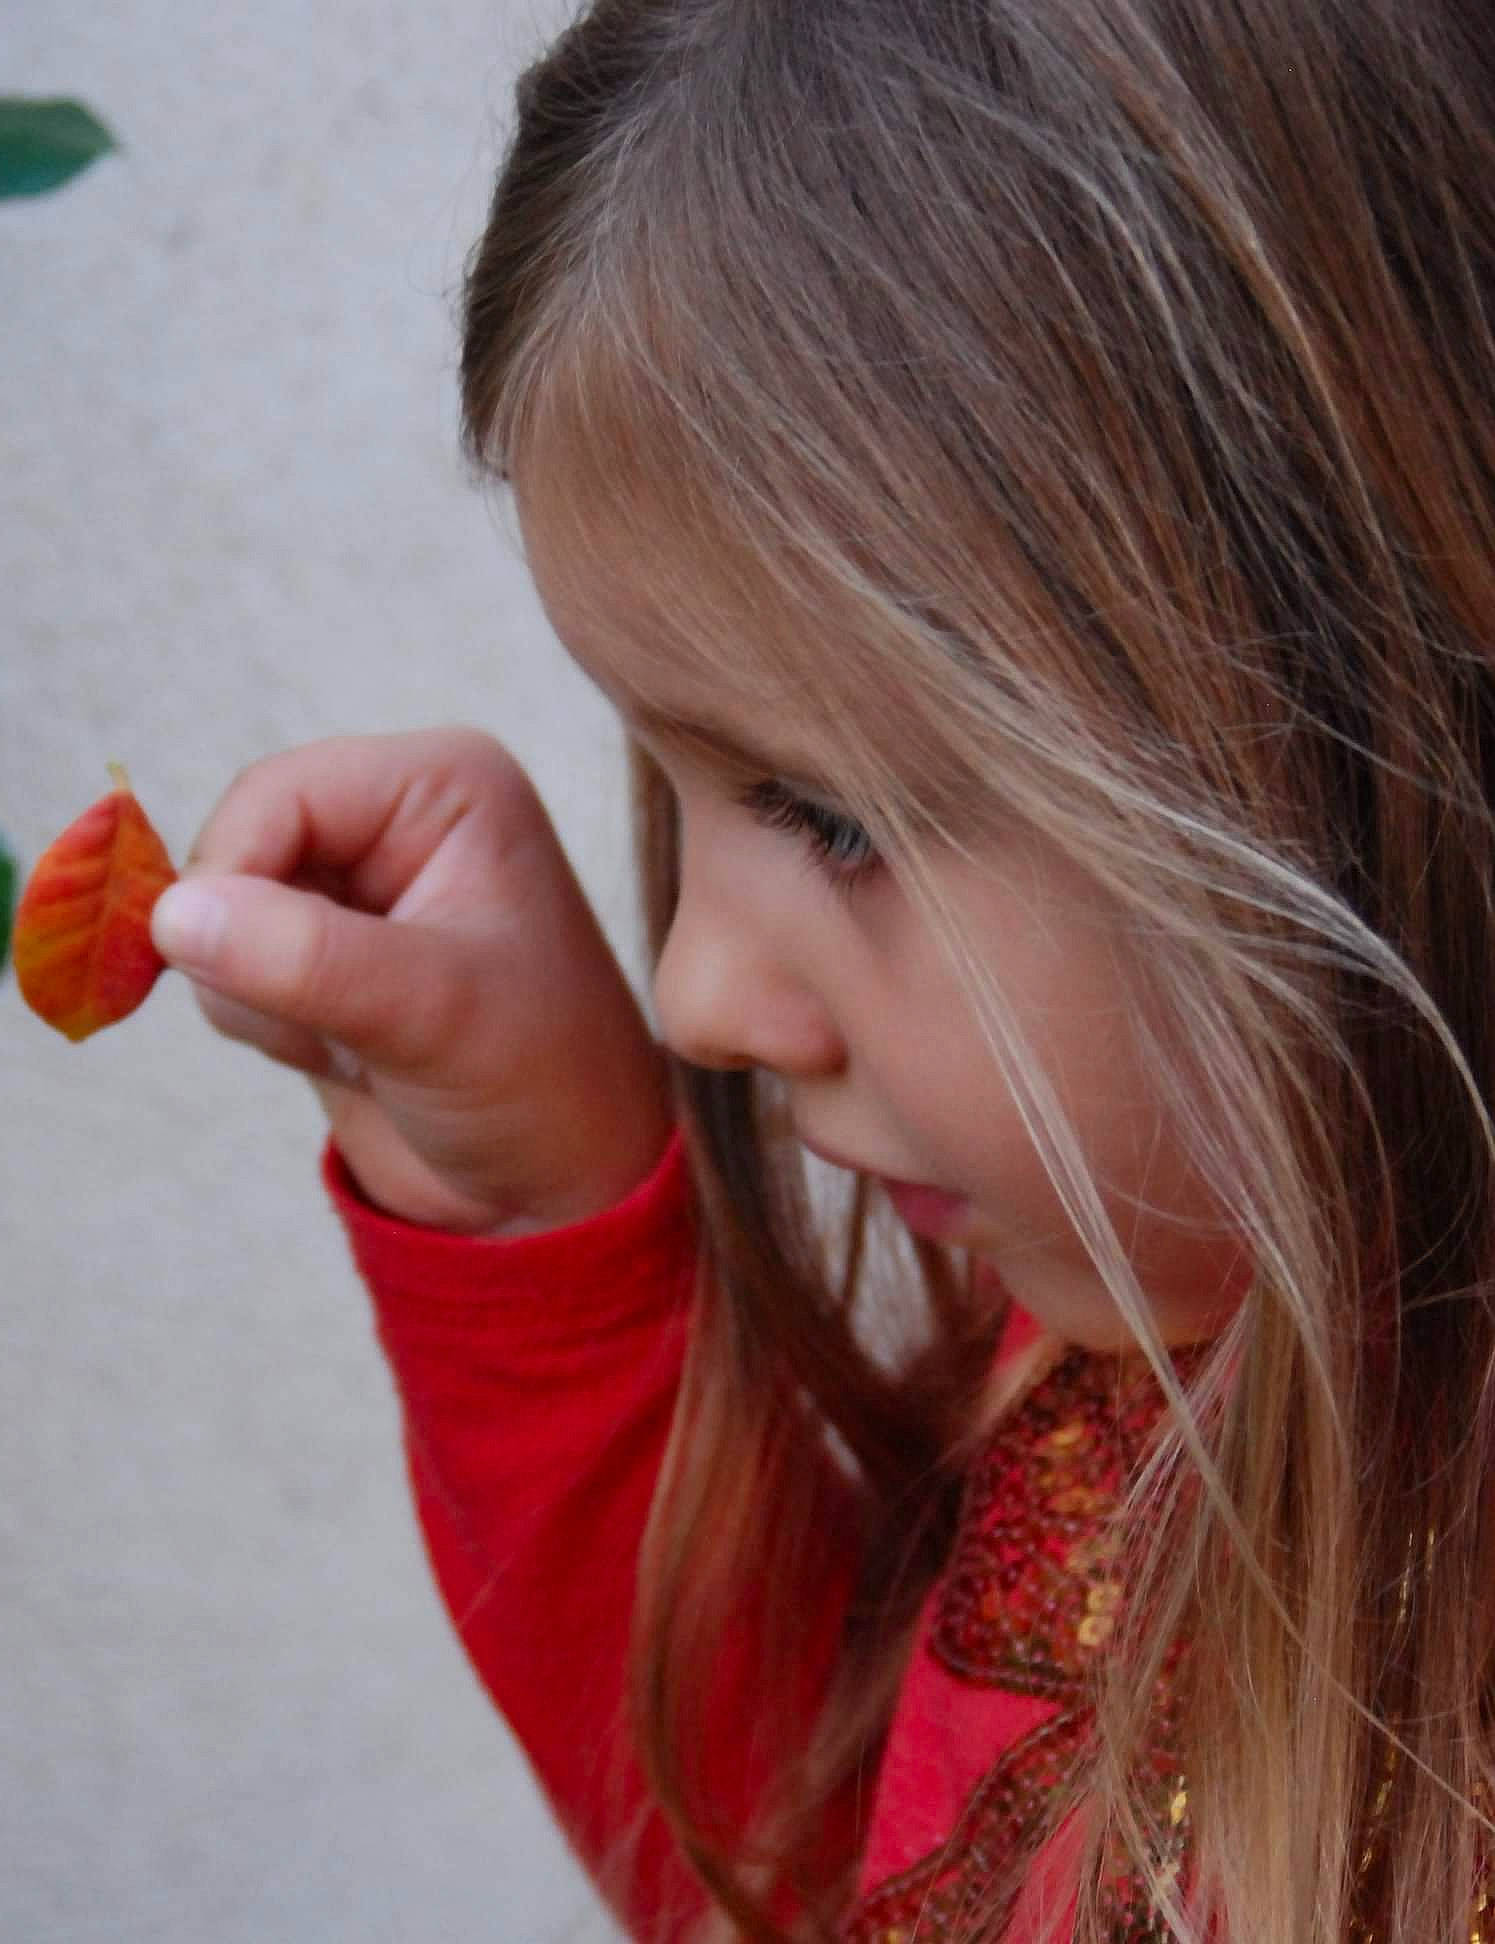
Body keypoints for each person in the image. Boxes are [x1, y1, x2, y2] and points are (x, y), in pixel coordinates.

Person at [148, 0, 1495, 1935]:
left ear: (1372, 717)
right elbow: (839, 1870)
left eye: (831, 814)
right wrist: (541, 1187)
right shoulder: (1144, 1340)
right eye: (674, 775)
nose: (694, 991)